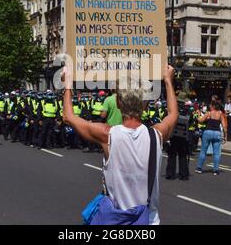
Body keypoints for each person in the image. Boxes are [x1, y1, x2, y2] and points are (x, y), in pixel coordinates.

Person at [62, 65, 179, 225]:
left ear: (117, 103)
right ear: (144, 105)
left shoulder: (108, 135)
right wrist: (167, 80)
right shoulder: (157, 135)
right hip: (148, 222)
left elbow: (68, 117)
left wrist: (68, 85)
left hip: (115, 220)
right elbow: (173, 115)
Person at [195, 101, 227, 176]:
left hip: (208, 132)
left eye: (210, 105)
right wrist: (225, 136)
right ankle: (215, 170)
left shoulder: (209, 113)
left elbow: (200, 121)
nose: (209, 106)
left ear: (213, 106)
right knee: (216, 153)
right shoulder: (220, 114)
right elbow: (224, 127)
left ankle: (199, 168)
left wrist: (199, 114)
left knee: (203, 151)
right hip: (217, 133)